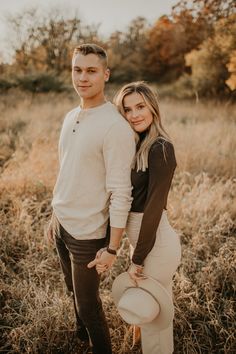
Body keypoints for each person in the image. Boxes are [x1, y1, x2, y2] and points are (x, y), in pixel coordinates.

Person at [46, 43, 136, 354]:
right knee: (72, 292)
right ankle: (80, 340)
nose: (83, 77)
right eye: (77, 69)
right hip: (63, 223)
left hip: (87, 234)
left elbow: (121, 192)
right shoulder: (72, 115)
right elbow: (67, 169)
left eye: (91, 71)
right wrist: (54, 214)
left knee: (89, 308)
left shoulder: (114, 126)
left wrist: (112, 247)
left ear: (106, 74)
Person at [111, 81, 182, 354]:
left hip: (154, 242)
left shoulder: (160, 148)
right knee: (155, 312)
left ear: (153, 107)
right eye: (127, 109)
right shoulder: (138, 144)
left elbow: (153, 209)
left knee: (152, 317)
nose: (133, 115)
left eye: (140, 107)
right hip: (142, 239)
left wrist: (137, 258)